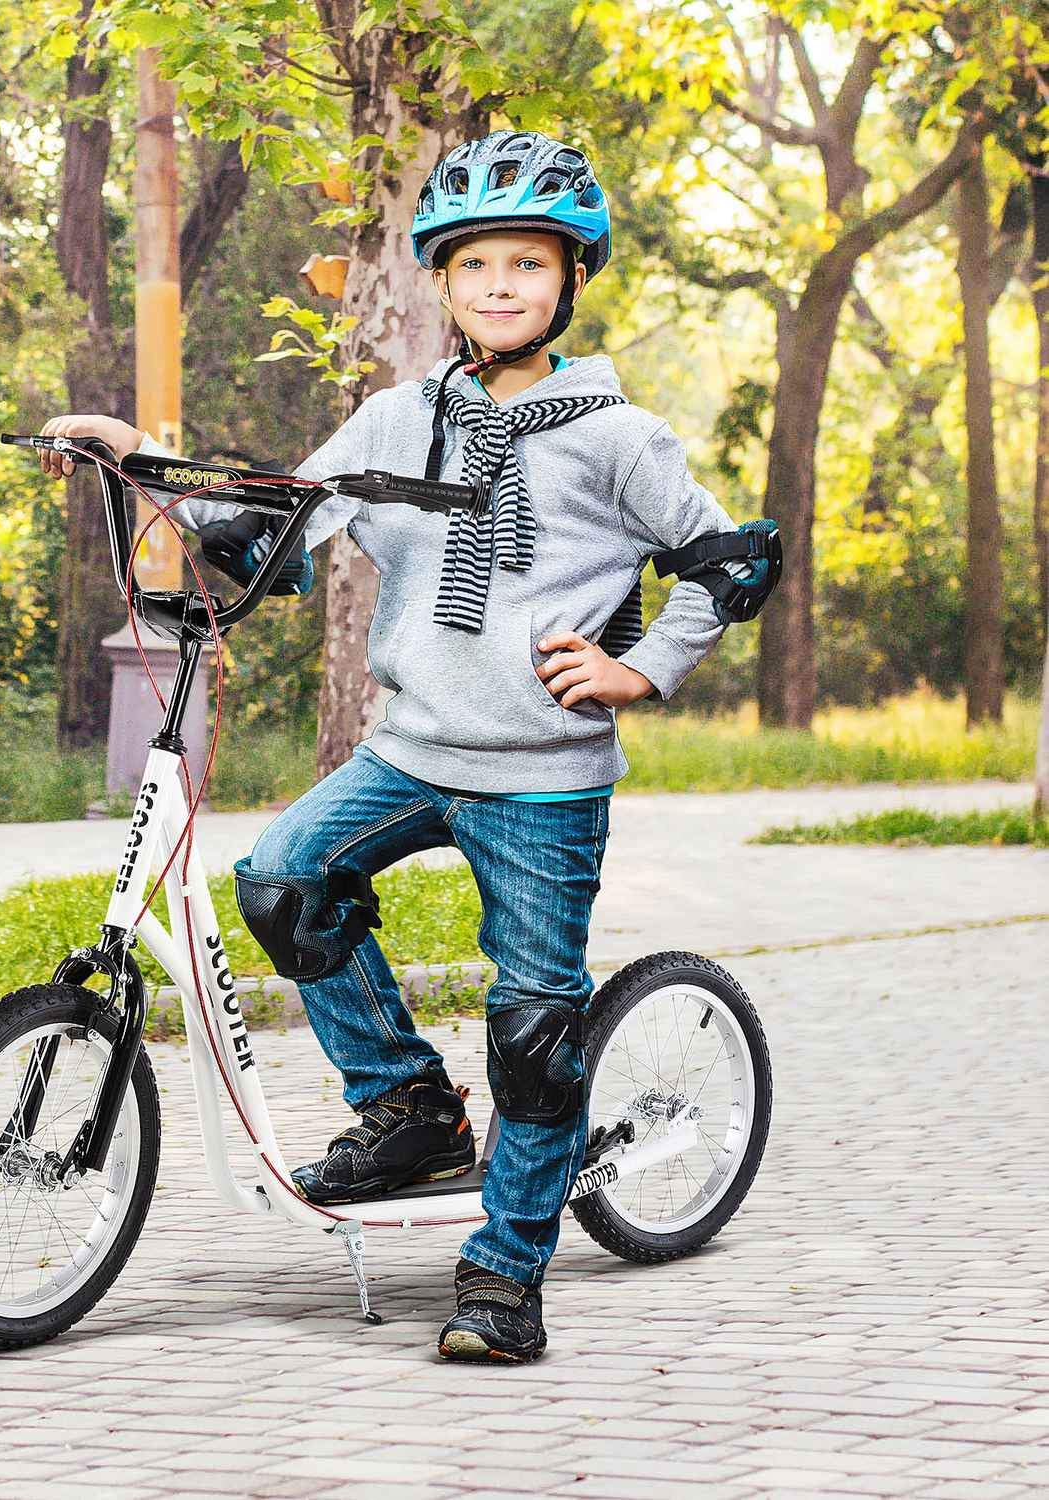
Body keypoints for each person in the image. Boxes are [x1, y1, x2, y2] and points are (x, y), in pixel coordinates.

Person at [38, 130, 756, 1364]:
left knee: (533, 1029)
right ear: (440, 279)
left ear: (570, 277)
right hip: (409, 751)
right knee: (283, 882)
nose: (498, 287)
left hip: (543, 776)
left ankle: (504, 1277)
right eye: (475, 265)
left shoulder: (618, 435)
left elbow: (730, 558)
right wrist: (132, 461)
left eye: (526, 264)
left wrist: (640, 668)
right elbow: (276, 522)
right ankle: (412, 1111)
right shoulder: (392, 420)